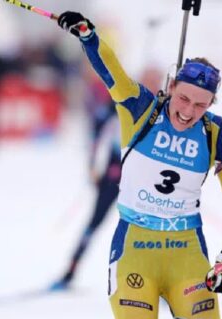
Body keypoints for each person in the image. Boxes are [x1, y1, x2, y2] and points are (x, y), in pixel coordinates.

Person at [57, 11, 222, 319]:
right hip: (135, 254)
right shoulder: (140, 108)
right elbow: (111, 71)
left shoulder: (216, 132)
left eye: (201, 105)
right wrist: (88, 35)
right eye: (184, 98)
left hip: (187, 259)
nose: (188, 112)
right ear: (171, 85)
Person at [50, 63, 165, 290]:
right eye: (149, 79)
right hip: (115, 173)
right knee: (94, 223)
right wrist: (92, 166)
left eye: (156, 80)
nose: (153, 84)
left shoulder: (162, 107)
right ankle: (69, 272)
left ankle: (158, 281)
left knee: (152, 229)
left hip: (143, 178)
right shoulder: (122, 101)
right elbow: (97, 132)